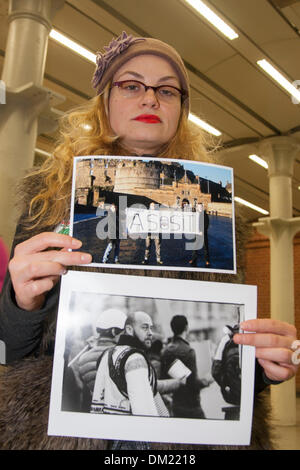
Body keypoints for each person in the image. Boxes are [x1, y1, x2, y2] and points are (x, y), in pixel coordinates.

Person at [0, 31, 298, 450]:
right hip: (68, 433)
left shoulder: (215, 215)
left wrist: (260, 362)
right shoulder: (46, 201)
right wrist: (21, 305)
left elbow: (233, 349)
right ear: (105, 102)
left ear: (180, 110)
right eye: (131, 85)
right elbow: (10, 352)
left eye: (167, 90)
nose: (150, 99)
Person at [91, 311, 159, 417]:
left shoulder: (107, 353)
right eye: (145, 327)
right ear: (129, 329)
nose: (151, 333)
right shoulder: (136, 358)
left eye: (151, 328)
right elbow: (142, 408)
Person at [161, 315, 209, 418]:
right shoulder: (188, 351)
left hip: (176, 404)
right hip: (191, 405)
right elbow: (192, 383)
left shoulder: (166, 351)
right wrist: (207, 381)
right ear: (186, 328)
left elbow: (163, 377)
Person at [189, 203, 210, 267]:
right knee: (195, 248)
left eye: (201, 207)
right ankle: (193, 259)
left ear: (202, 207)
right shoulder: (196, 215)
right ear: (197, 208)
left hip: (203, 234)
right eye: (198, 207)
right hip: (197, 234)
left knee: (205, 248)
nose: (199, 208)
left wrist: (202, 231)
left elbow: (207, 224)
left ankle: (207, 260)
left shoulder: (205, 215)